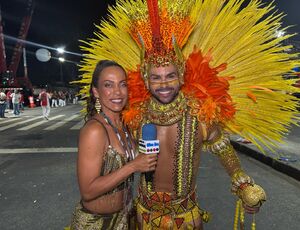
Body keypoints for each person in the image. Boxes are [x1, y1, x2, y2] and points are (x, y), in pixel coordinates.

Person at [78, 0, 300, 229]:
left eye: (170, 76)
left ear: (181, 75)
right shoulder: (136, 114)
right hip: (142, 215)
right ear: (146, 79)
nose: (163, 84)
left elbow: (223, 148)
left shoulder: (200, 113)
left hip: (185, 218)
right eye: (156, 77)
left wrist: (243, 184)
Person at [69, 60, 158, 230]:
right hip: (97, 223)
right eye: (108, 85)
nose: (117, 92)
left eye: (122, 84)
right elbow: (87, 191)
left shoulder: (125, 124)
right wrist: (133, 166)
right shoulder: (95, 130)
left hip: (125, 217)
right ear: (96, 91)